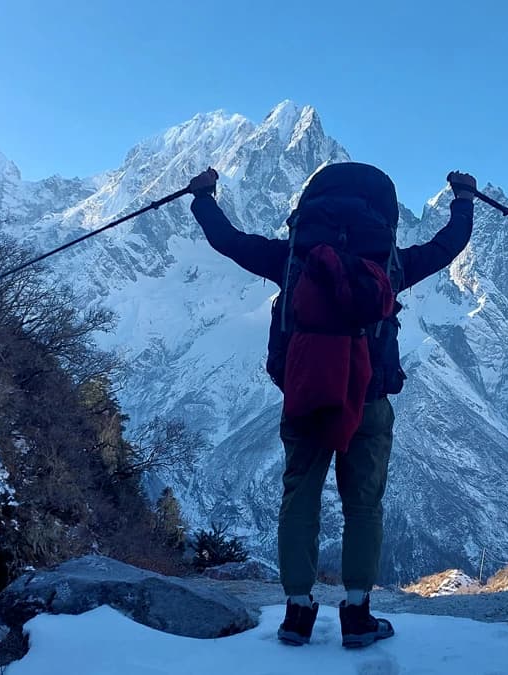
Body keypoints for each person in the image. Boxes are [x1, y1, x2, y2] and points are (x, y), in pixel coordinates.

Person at [187, 162, 476, 648]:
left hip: (305, 396)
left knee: (299, 497)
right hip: (369, 397)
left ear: (307, 212)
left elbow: (229, 241)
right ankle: (358, 615)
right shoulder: (388, 265)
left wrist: (203, 197)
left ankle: (296, 615)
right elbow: (448, 246)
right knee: (363, 506)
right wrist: (464, 199)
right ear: (384, 217)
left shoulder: (292, 259)